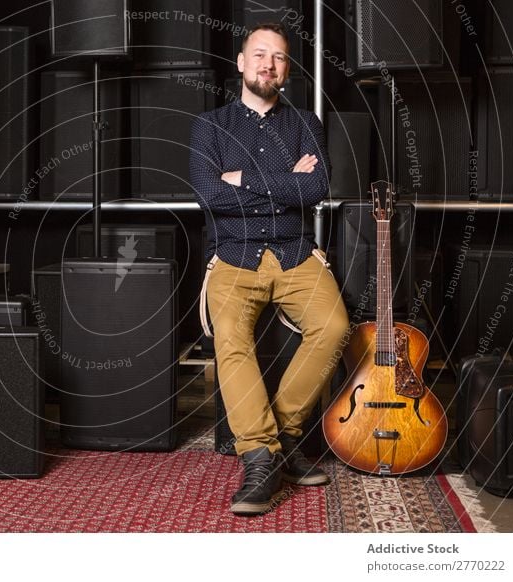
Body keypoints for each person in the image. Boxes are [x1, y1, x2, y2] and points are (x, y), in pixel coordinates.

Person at [189, 23, 349, 516]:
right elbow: (209, 194)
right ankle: (260, 456)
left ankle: (279, 437)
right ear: (240, 63)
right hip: (234, 256)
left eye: (278, 57)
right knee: (230, 338)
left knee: (335, 327)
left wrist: (243, 179)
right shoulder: (209, 127)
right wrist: (281, 181)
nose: (268, 64)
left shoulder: (306, 124)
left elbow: (315, 188)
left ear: (286, 70)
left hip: (296, 253)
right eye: (259, 55)